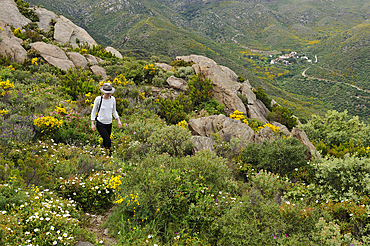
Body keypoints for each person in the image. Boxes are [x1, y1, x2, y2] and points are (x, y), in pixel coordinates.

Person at [91, 83, 122, 155]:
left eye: (110, 92)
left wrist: (118, 120)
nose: (108, 94)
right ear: (103, 92)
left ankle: (101, 155)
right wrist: (92, 123)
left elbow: (114, 111)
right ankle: (109, 156)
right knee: (108, 141)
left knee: (105, 141)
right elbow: (94, 111)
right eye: (107, 92)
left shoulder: (113, 99)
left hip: (109, 124)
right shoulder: (99, 99)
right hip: (100, 123)